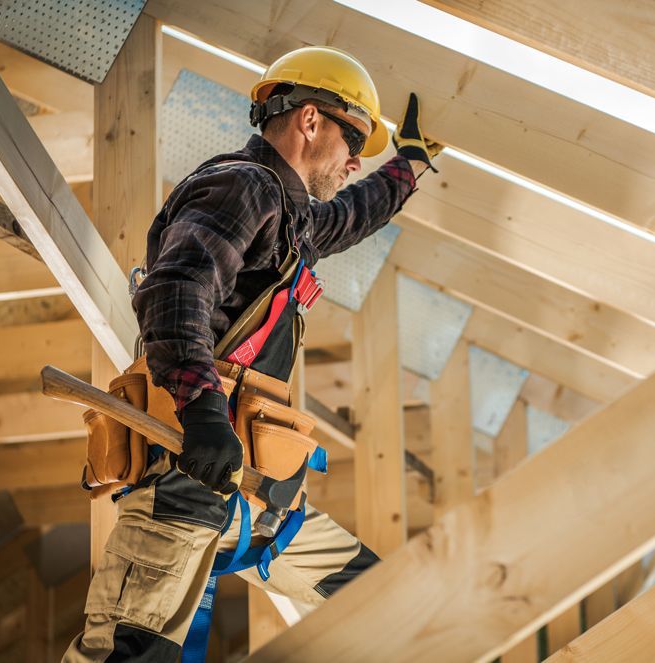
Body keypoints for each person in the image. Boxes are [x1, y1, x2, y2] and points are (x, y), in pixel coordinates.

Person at [64, 46, 442, 660]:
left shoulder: (292, 216)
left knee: (389, 601)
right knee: (127, 656)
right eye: (355, 140)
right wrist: (204, 413)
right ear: (311, 120)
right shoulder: (242, 186)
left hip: (257, 498)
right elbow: (177, 289)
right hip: (186, 485)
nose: (353, 162)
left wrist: (410, 166)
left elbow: (350, 217)